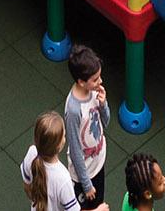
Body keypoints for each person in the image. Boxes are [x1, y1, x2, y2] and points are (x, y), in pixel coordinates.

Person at [63, 44, 110, 209]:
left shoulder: (94, 91)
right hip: (84, 175)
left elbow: (105, 123)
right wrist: (86, 184)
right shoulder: (74, 111)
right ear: (81, 82)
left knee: (99, 203)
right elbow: (75, 149)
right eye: (95, 79)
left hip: (98, 164)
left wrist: (103, 105)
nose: (100, 81)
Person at [21, 111, 80, 211]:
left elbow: (27, 186)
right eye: (64, 136)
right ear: (59, 145)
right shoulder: (63, 178)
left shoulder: (32, 153)